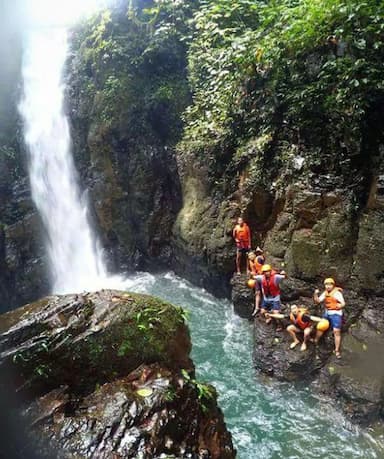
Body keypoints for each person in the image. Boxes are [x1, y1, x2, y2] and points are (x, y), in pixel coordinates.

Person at [313, 277, 345, 359]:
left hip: (336, 314)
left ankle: (337, 350)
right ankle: (316, 340)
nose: (328, 286)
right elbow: (317, 301)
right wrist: (315, 294)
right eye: (326, 285)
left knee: (336, 331)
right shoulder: (325, 293)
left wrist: (340, 305)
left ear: (333, 285)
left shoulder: (337, 293)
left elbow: (343, 303)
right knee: (321, 326)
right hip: (328, 313)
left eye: (329, 285)